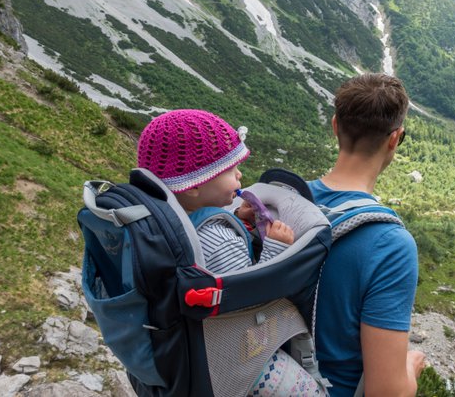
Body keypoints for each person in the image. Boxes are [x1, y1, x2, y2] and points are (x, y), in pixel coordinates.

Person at [137, 109, 324, 396]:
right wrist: (275, 246)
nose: (240, 175)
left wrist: (236, 217)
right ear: (195, 186)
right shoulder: (218, 237)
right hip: (238, 357)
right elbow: (249, 298)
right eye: (230, 169)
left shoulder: (168, 221)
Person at [308, 74, 426, 396]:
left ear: (335, 125)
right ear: (394, 139)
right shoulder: (391, 244)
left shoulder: (278, 201)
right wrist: (409, 368)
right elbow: (387, 392)